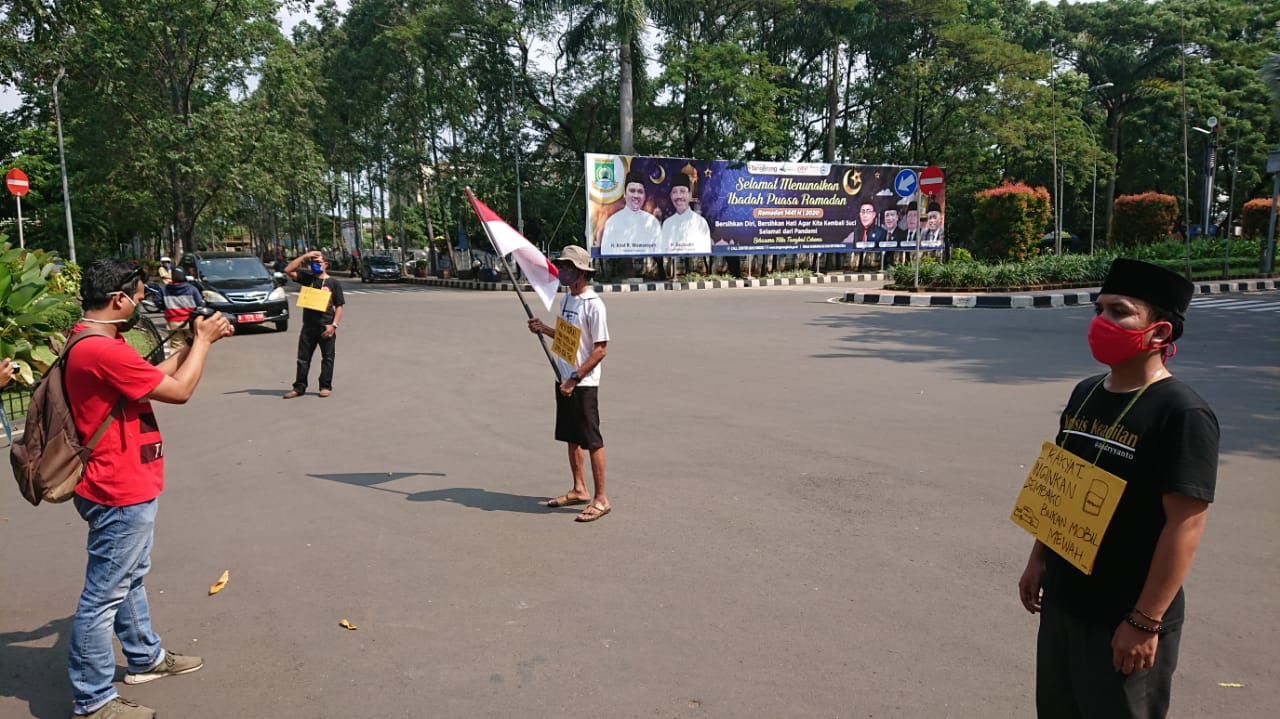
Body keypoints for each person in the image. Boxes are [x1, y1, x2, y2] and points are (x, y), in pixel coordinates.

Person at [1017, 258, 1217, 719]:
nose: (1100, 322)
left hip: (1124, 616)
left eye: (1119, 312)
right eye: (1098, 309)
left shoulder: (1181, 413)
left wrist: (1145, 621)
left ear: (1160, 333)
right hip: (1065, 603)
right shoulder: (1086, 393)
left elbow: (1184, 526)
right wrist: (1037, 559)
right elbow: (1062, 487)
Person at [63, 259, 234, 719]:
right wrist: (203, 342)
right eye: (139, 295)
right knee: (101, 598)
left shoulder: (95, 341)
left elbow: (151, 378)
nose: (142, 303)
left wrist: (187, 342)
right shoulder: (101, 349)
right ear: (119, 298)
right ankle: (93, 700)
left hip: (121, 479)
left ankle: (145, 658)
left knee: (130, 577)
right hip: (117, 487)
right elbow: (178, 391)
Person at [526, 245, 612, 523]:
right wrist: (544, 329)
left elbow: (600, 349)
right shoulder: (566, 300)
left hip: (582, 383)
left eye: (568, 268)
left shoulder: (593, 304)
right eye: (562, 266)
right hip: (562, 379)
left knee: (591, 440)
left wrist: (575, 378)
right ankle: (580, 488)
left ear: (582, 272)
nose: (563, 271)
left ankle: (601, 498)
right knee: (571, 437)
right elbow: (567, 338)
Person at [283, 250, 345, 399]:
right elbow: (288, 270)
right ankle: (299, 387)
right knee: (303, 359)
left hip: (326, 326)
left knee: (328, 358)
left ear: (326, 264)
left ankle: (325, 386)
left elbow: (339, 306)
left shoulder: (333, 283)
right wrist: (305, 256)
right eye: (313, 263)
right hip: (308, 327)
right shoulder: (308, 279)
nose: (315, 265)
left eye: (318, 262)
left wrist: (333, 325)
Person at [599, 170, 661, 256]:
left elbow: (658, 252)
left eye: (640, 192)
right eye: (632, 191)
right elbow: (605, 253)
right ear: (625, 194)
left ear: (644, 196)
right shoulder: (612, 222)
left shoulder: (652, 222)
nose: (636, 196)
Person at [660, 173, 712, 254]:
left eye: (682, 191)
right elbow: (664, 252)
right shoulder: (667, 224)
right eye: (675, 192)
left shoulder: (700, 222)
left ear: (690, 195)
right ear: (671, 196)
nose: (679, 196)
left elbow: (705, 251)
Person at [159, 268, 204, 353]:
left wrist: (167, 308)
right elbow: (200, 304)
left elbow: (158, 301)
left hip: (173, 322)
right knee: (192, 345)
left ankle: (176, 365)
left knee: (176, 346)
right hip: (189, 321)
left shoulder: (164, 289)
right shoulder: (192, 289)